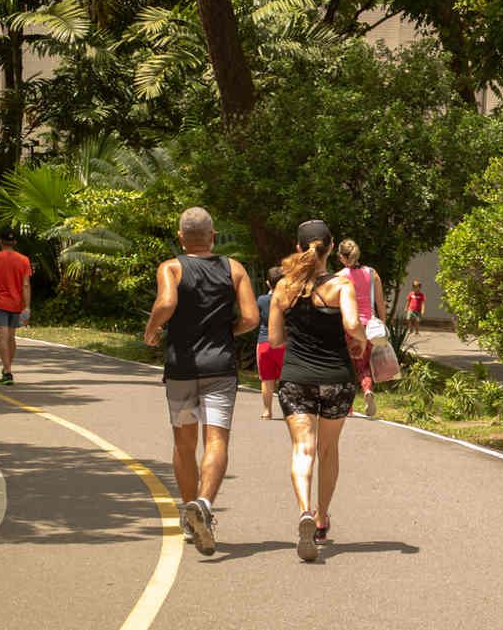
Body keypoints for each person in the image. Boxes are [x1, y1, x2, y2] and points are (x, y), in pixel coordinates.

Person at [143, 207, 258, 556]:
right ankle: (205, 505)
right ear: (213, 235)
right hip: (220, 369)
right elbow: (252, 318)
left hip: (181, 369)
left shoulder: (172, 267)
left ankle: (190, 507)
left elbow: (166, 302)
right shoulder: (234, 269)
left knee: (184, 443)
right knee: (216, 440)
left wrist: (152, 329)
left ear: (180, 237)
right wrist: (229, 331)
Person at [268, 220, 367, 561]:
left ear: (299, 248)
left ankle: (304, 512)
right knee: (328, 449)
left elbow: (276, 339)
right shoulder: (341, 285)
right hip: (337, 379)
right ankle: (323, 518)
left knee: (302, 449)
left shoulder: (283, 289)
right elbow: (353, 325)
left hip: (296, 379)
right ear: (332, 245)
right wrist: (363, 341)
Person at [336, 239, 386, 417]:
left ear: (341, 257)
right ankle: (367, 390)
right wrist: (383, 324)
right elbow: (380, 302)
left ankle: (348, 407)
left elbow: (336, 304)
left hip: (350, 326)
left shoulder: (340, 276)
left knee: (347, 365)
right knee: (364, 365)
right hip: (370, 327)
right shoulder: (372, 273)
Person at [0, 229, 32, 385]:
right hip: (16, 303)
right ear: (14, 242)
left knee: (2, 338)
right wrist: (27, 307)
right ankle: (7, 368)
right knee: (11, 338)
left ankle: (7, 371)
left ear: (0, 241)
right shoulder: (24, 260)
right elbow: (26, 285)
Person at [255, 266, 286, 419]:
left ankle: (267, 411)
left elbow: (256, 319)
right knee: (286, 379)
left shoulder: (261, 300)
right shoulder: (288, 300)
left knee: (266, 379)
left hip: (264, 342)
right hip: (283, 343)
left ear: (268, 283)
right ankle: (289, 411)